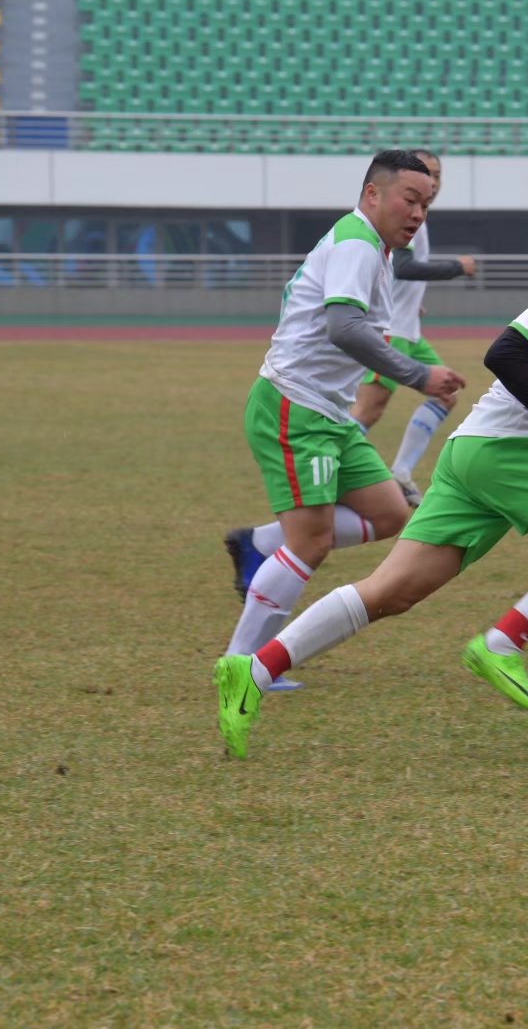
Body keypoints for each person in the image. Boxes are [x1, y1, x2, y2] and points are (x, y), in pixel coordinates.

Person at [213, 181, 528, 758]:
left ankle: (253, 670)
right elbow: (505, 353)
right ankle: (503, 643)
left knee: (390, 593)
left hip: (475, 454)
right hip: (508, 448)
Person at [218, 150, 467, 691]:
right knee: (311, 542)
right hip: (295, 406)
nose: (418, 213)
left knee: (390, 513)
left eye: (426, 204)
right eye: (410, 199)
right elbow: (344, 327)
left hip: (328, 412)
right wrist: (418, 375)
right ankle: (242, 666)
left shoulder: (373, 247)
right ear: (372, 194)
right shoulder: (358, 242)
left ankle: (261, 546)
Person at [349, 147, 479, 507]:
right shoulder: (403, 217)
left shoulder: (417, 217)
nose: (433, 182)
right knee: (367, 411)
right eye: (426, 173)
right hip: (391, 331)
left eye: (437, 175)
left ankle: (401, 472)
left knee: (446, 394)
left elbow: (394, 272)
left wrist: (409, 300)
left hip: (408, 329)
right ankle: (329, 472)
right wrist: (457, 267)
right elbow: (403, 267)